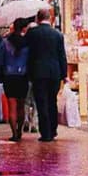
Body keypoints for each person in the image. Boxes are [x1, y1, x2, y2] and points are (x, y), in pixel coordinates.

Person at [23, 8, 67, 143]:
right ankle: (53, 130)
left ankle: (46, 132)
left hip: (38, 72)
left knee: (41, 102)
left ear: (38, 18)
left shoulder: (33, 33)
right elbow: (62, 56)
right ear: (50, 18)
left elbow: (26, 51)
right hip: (54, 73)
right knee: (52, 101)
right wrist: (64, 74)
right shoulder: (57, 35)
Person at [0, 19, 31, 141]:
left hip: (9, 77)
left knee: (12, 106)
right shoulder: (27, 43)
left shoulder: (5, 43)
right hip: (23, 76)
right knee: (21, 105)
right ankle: (20, 131)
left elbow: (0, 61)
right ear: (23, 29)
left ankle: (14, 134)